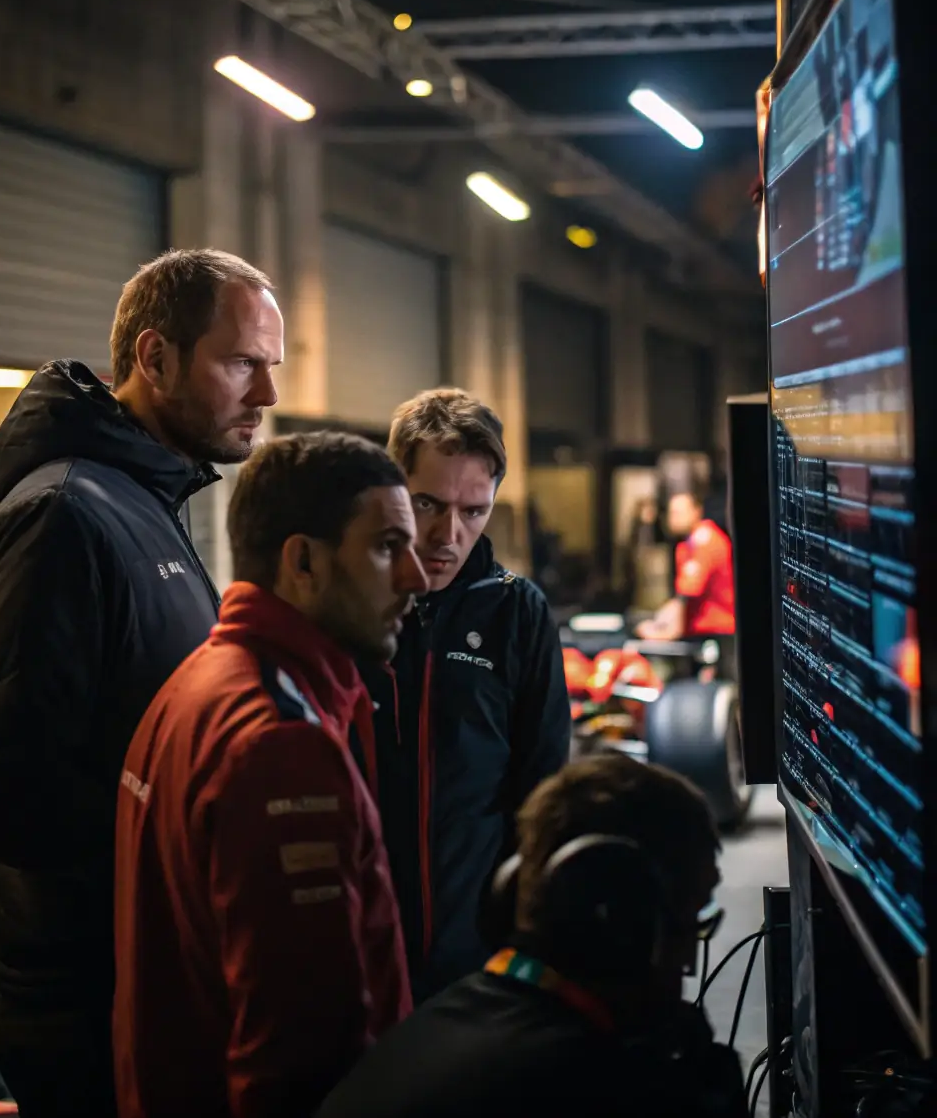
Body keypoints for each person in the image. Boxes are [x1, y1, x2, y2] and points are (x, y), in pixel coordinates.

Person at [0, 248, 283, 1118]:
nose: (266, 396)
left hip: (151, 979)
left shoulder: (142, 506)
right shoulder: (64, 515)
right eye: (243, 362)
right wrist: (181, 837)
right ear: (155, 357)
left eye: (270, 368)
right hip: (89, 1004)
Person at [114, 432, 428, 1118]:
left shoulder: (195, 683)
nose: (417, 575)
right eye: (386, 546)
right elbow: (301, 1053)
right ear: (303, 561)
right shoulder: (281, 743)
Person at [316, 754, 747, 1118]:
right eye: (691, 918)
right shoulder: (592, 1087)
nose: (690, 959)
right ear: (619, 919)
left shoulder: (443, 1023)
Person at [371, 389, 570, 1001]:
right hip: (359, 953)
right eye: (427, 503)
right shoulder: (349, 602)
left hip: (477, 957)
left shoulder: (517, 612)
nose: (447, 535)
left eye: (473, 511)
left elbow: (542, 792)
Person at [636, 482, 735, 642]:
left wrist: (663, 633)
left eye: (679, 513)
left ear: (697, 512)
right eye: (672, 513)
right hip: (699, 631)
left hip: (716, 632)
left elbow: (686, 594)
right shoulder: (686, 545)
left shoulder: (705, 540)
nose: (674, 518)